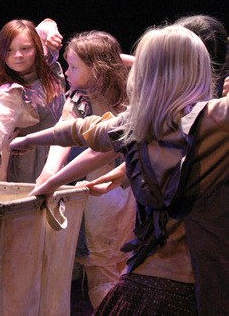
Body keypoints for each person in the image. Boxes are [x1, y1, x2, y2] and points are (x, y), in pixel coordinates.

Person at [14, 25, 228, 314]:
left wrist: (28, 141)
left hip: (149, 283)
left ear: (145, 74)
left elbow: (82, 132)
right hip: (188, 285)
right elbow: (81, 131)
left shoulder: (140, 123)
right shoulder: (212, 120)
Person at [36, 30, 136, 307]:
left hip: (112, 191)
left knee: (109, 268)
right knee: (112, 267)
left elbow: (150, 63)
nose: (67, 72)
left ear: (97, 69)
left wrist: (112, 59)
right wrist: (49, 172)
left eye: (74, 66)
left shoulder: (128, 93)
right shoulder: (83, 97)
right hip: (111, 188)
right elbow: (64, 133)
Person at [0, 18, 65, 183]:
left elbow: (45, 25)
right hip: (30, 171)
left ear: (37, 48)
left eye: (25, 49)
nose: (18, 55)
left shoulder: (47, 67)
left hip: (64, 159)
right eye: (9, 50)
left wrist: (51, 31)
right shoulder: (13, 93)